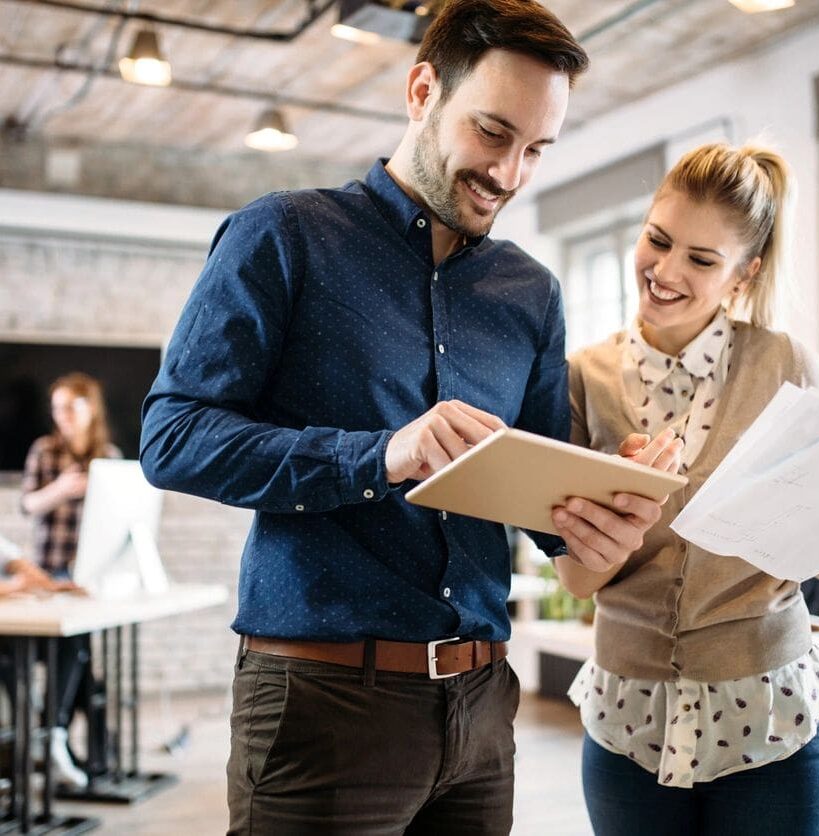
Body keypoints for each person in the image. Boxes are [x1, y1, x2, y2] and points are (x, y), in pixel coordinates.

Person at [140, 1, 679, 832]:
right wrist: (381, 455)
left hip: (482, 712)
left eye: (536, 150)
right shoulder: (284, 236)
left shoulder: (530, 293)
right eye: (493, 132)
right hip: (323, 705)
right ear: (423, 89)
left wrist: (597, 514)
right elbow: (172, 437)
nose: (509, 173)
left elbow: (539, 503)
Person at [560, 141, 819, 835]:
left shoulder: (784, 363)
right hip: (630, 721)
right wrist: (619, 508)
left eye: (702, 259)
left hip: (769, 717)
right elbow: (577, 579)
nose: (665, 271)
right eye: (658, 241)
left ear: (744, 274)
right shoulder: (581, 376)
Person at [20, 371, 120, 789]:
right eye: (56, 408)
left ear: (89, 408)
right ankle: (71, 745)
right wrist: (61, 489)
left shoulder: (109, 457)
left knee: (79, 659)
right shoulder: (45, 452)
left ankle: (71, 748)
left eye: (70, 407)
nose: (61, 416)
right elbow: (28, 504)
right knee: (76, 657)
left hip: (89, 577)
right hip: (49, 574)